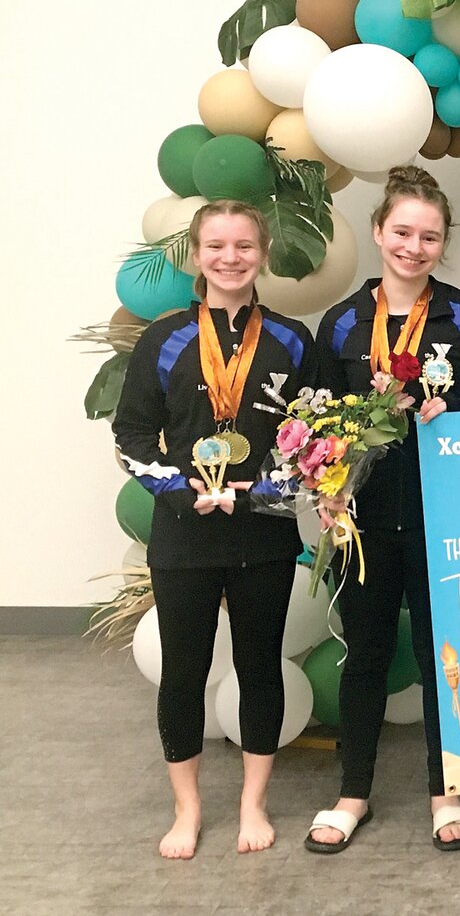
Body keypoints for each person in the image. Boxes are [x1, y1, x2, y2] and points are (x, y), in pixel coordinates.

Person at [305, 165, 460, 854]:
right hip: (364, 525)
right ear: (378, 232)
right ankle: (353, 794)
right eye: (402, 231)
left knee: (444, 659)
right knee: (367, 656)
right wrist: (324, 489)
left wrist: (456, 407)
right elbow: (314, 420)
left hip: (446, 519)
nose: (414, 246)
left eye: (429, 236)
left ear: (442, 243)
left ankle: (447, 791)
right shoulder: (342, 320)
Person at [114, 200, 316, 859]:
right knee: (184, 672)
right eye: (217, 246)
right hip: (185, 532)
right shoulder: (163, 338)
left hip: (261, 532)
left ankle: (252, 801)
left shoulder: (291, 339)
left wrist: (263, 490)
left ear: (262, 253)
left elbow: (315, 440)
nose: (231, 258)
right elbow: (132, 433)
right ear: (196, 255)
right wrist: (178, 488)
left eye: (244, 246)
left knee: (260, 666)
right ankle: (188, 806)